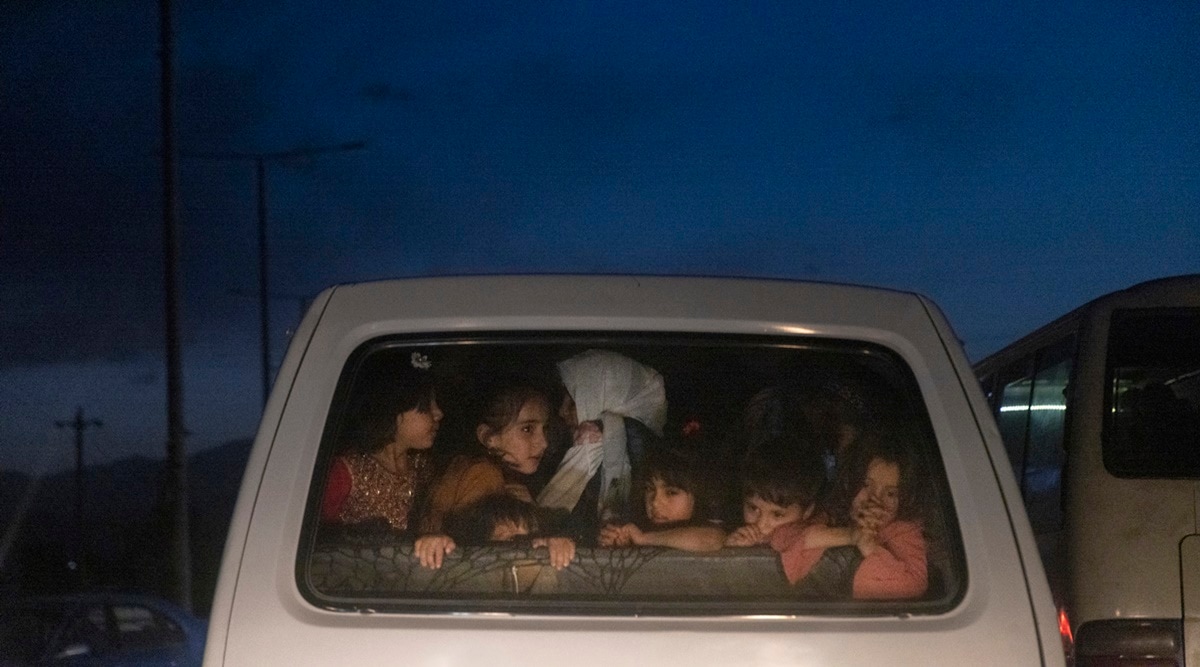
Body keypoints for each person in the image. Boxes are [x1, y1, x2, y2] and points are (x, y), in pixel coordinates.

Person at [415, 375, 556, 567]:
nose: (543, 443)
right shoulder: (484, 475)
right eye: (527, 429)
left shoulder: (471, 466)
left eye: (544, 429)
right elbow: (475, 557)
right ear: (488, 437)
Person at [770, 433, 927, 600]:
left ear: (904, 498)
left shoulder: (904, 532)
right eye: (866, 485)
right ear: (849, 482)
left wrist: (870, 547)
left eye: (890, 493)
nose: (875, 499)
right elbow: (782, 538)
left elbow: (914, 586)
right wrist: (852, 535)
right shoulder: (830, 515)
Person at [537, 349, 667, 541]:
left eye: (572, 403)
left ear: (599, 396)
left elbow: (551, 522)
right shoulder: (572, 442)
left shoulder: (598, 441)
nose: (562, 412)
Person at [320, 350, 443, 533]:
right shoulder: (347, 473)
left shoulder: (424, 469)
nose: (439, 414)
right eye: (426, 407)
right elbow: (320, 536)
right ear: (394, 410)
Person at [599, 447, 725, 552]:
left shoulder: (709, 528)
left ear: (697, 497)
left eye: (671, 493)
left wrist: (644, 539)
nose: (655, 502)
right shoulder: (636, 526)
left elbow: (711, 540)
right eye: (650, 489)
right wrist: (614, 541)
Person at [724, 438, 826, 547]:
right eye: (753, 508)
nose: (761, 526)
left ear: (807, 511)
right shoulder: (733, 532)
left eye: (777, 515)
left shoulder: (817, 535)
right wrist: (730, 549)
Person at [433, 493, 576, 570]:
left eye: (531, 536)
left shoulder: (552, 577)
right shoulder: (469, 583)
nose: (524, 545)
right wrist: (434, 545)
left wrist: (562, 547)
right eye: (510, 539)